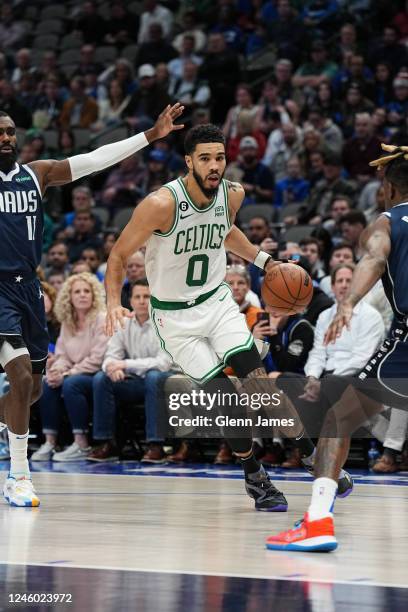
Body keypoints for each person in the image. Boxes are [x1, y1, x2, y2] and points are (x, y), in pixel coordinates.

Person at [105, 124, 353, 512]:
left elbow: (225, 230)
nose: (214, 165)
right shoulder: (160, 204)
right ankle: (254, 474)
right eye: (204, 158)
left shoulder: (232, 194)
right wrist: (110, 303)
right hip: (175, 320)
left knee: (259, 385)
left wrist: (264, 260)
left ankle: (310, 455)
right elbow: (118, 255)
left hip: (218, 304)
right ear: (188, 162)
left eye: (220, 157)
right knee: (227, 402)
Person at [0, 103, 184, 506]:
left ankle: (7, 434)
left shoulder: (37, 174)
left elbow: (94, 160)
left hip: (29, 287)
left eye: (11, 131)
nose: (7, 138)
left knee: (26, 392)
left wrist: (150, 136)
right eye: (1, 132)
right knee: (19, 375)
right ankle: (18, 475)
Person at [266, 143, 408, 551]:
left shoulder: (385, 223)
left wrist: (346, 302)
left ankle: (318, 521)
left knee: (337, 421)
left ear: (388, 189)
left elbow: (374, 260)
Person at [90, 278, 173, 463]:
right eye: (138, 296)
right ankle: (107, 444)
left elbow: (163, 363)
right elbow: (110, 356)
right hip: (136, 382)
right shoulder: (123, 323)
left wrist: (125, 365)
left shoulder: (165, 323)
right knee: (101, 378)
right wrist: (112, 368)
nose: (143, 300)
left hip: (166, 382)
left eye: (147, 296)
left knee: (154, 377)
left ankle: (155, 445)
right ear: (131, 300)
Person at [31, 273, 108, 462]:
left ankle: (81, 444)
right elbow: (62, 354)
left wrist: (66, 373)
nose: (82, 295)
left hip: (97, 375)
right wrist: (57, 370)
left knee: (71, 384)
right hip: (72, 373)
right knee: (48, 382)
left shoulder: (102, 319)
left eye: (86, 291)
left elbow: (97, 358)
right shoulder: (67, 322)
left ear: (94, 295)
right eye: (77, 292)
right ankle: (50, 442)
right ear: (69, 297)